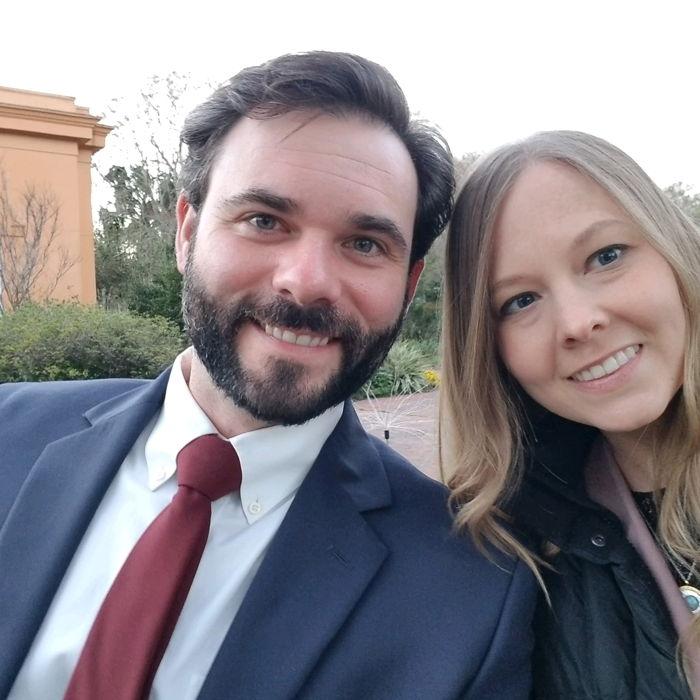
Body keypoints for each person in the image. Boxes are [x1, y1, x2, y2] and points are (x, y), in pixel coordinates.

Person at [0, 52, 535, 700]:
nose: (306, 282)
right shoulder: (10, 433)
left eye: (365, 244)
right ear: (187, 232)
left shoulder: (471, 595)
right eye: (264, 221)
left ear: (409, 283)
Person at [441, 129, 700, 699]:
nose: (579, 323)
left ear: (673, 248)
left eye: (606, 257)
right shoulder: (512, 559)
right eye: (521, 301)